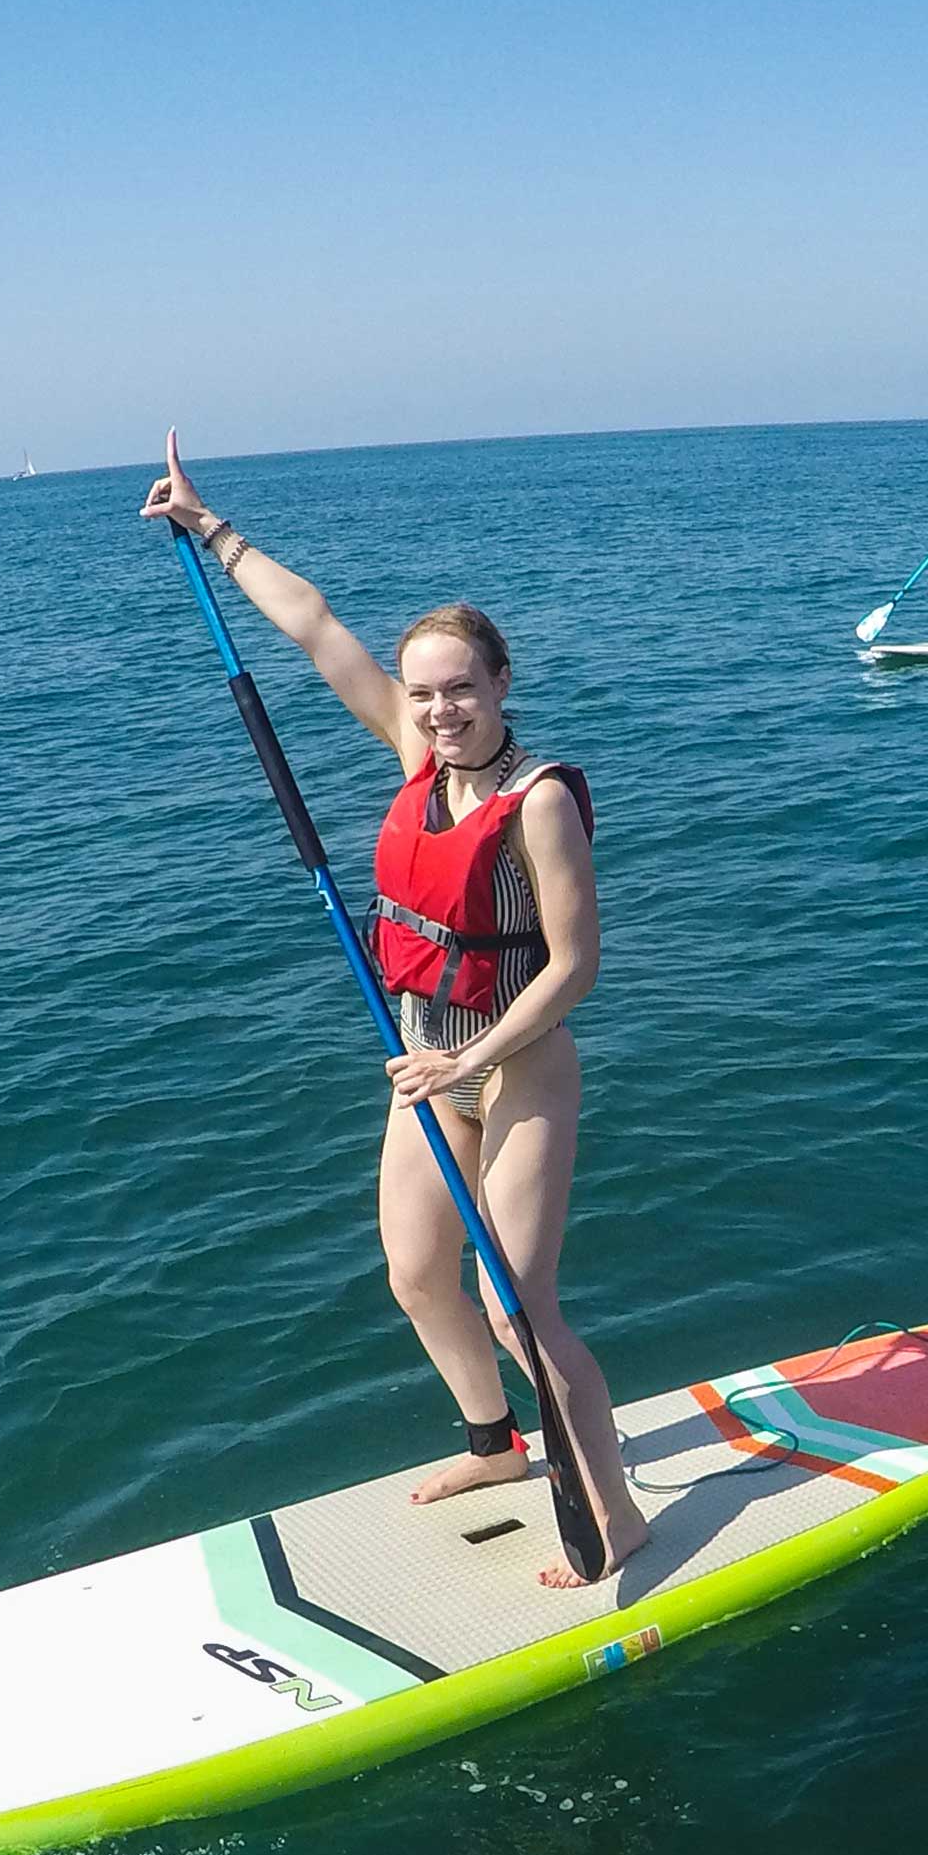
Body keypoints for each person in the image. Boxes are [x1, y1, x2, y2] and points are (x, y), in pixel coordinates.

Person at [141, 432, 648, 1588]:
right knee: (416, 1273)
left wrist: (467, 1059)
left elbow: (574, 966)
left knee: (517, 1306)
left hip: (516, 1064)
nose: (438, 708)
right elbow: (317, 629)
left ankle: (617, 1513)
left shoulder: (536, 804)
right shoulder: (414, 760)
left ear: (501, 684)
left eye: (460, 687)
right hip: (425, 1054)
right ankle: (495, 1445)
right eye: (422, 693)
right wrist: (209, 529)